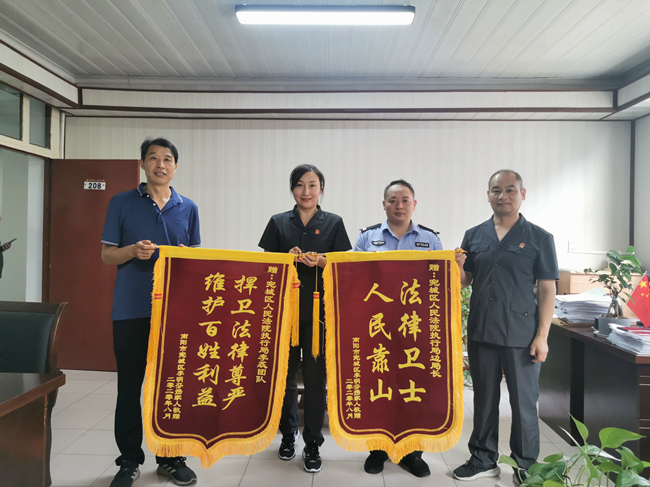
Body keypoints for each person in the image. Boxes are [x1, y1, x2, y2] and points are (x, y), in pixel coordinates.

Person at [101, 138, 201, 487]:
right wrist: (131, 250)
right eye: (153, 158)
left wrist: (186, 256)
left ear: (175, 166)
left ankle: (171, 457)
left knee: (171, 385)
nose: (161, 164)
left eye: (167, 159)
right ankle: (129, 460)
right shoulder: (121, 202)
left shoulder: (188, 207)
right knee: (130, 386)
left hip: (174, 311)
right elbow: (107, 255)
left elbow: (196, 258)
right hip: (130, 309)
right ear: (142, 164)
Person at [452, 170, 558, 486]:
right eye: (496, 190)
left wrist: (542, 336)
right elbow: (465, 281)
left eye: (510, 190)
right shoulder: (474, 235)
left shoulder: (540, 237)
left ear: (522, 194)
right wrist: (458, 268)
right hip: (482, 329)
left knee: (523, 403)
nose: (503, 196)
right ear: (488, 195)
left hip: (522, 334)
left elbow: (547, 289)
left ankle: (525, 465)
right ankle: (483, 459)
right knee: (484, 400)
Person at [259, 164, 352, 473]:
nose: (306, 191)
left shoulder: (334, 223)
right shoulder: (278, 222)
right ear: (292, 189)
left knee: (315, 381)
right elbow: (266, 267)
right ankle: (288, 435)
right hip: (285, 315)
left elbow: (345, 267)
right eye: (300, 185)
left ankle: (313, 443)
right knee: (284, 379)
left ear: (321, 189)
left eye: (312, 185)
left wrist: (322, 261)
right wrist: (285, 260)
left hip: (319, 317)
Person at [354, 179, 442, 478]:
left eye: (405, 200)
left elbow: (439, 284)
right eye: (393, 200)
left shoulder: (430, 239)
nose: (399, 205)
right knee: (378, 386)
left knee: (414, 386)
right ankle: (378, 449)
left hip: (415, 328)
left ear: (414, 204)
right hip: (377, 326)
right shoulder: (367, 238)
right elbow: (351, 275)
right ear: (384, 204)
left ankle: (412, 453)